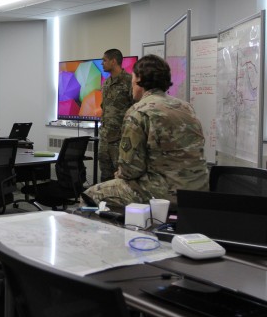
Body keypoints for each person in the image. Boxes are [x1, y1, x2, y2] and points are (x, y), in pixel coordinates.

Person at [82, 55, 208, 208]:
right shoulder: (186, 107)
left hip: (164, 194)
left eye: (133, 78)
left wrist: (120, 174)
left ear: (139, 79)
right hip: (198, 191)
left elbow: (130, 170)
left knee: (90, 195)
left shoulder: (139, 111)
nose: (131, 84)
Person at [98, 49, 134, 182]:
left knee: (120, 176)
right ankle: (104, 202)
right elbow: (105, 108)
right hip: (105, 137)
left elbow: (136, 108)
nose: (102, 63)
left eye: (104, 60)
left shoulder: (129, 81)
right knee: (105, 176)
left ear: (114, 61)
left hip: (121, 139)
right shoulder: (107, 83)